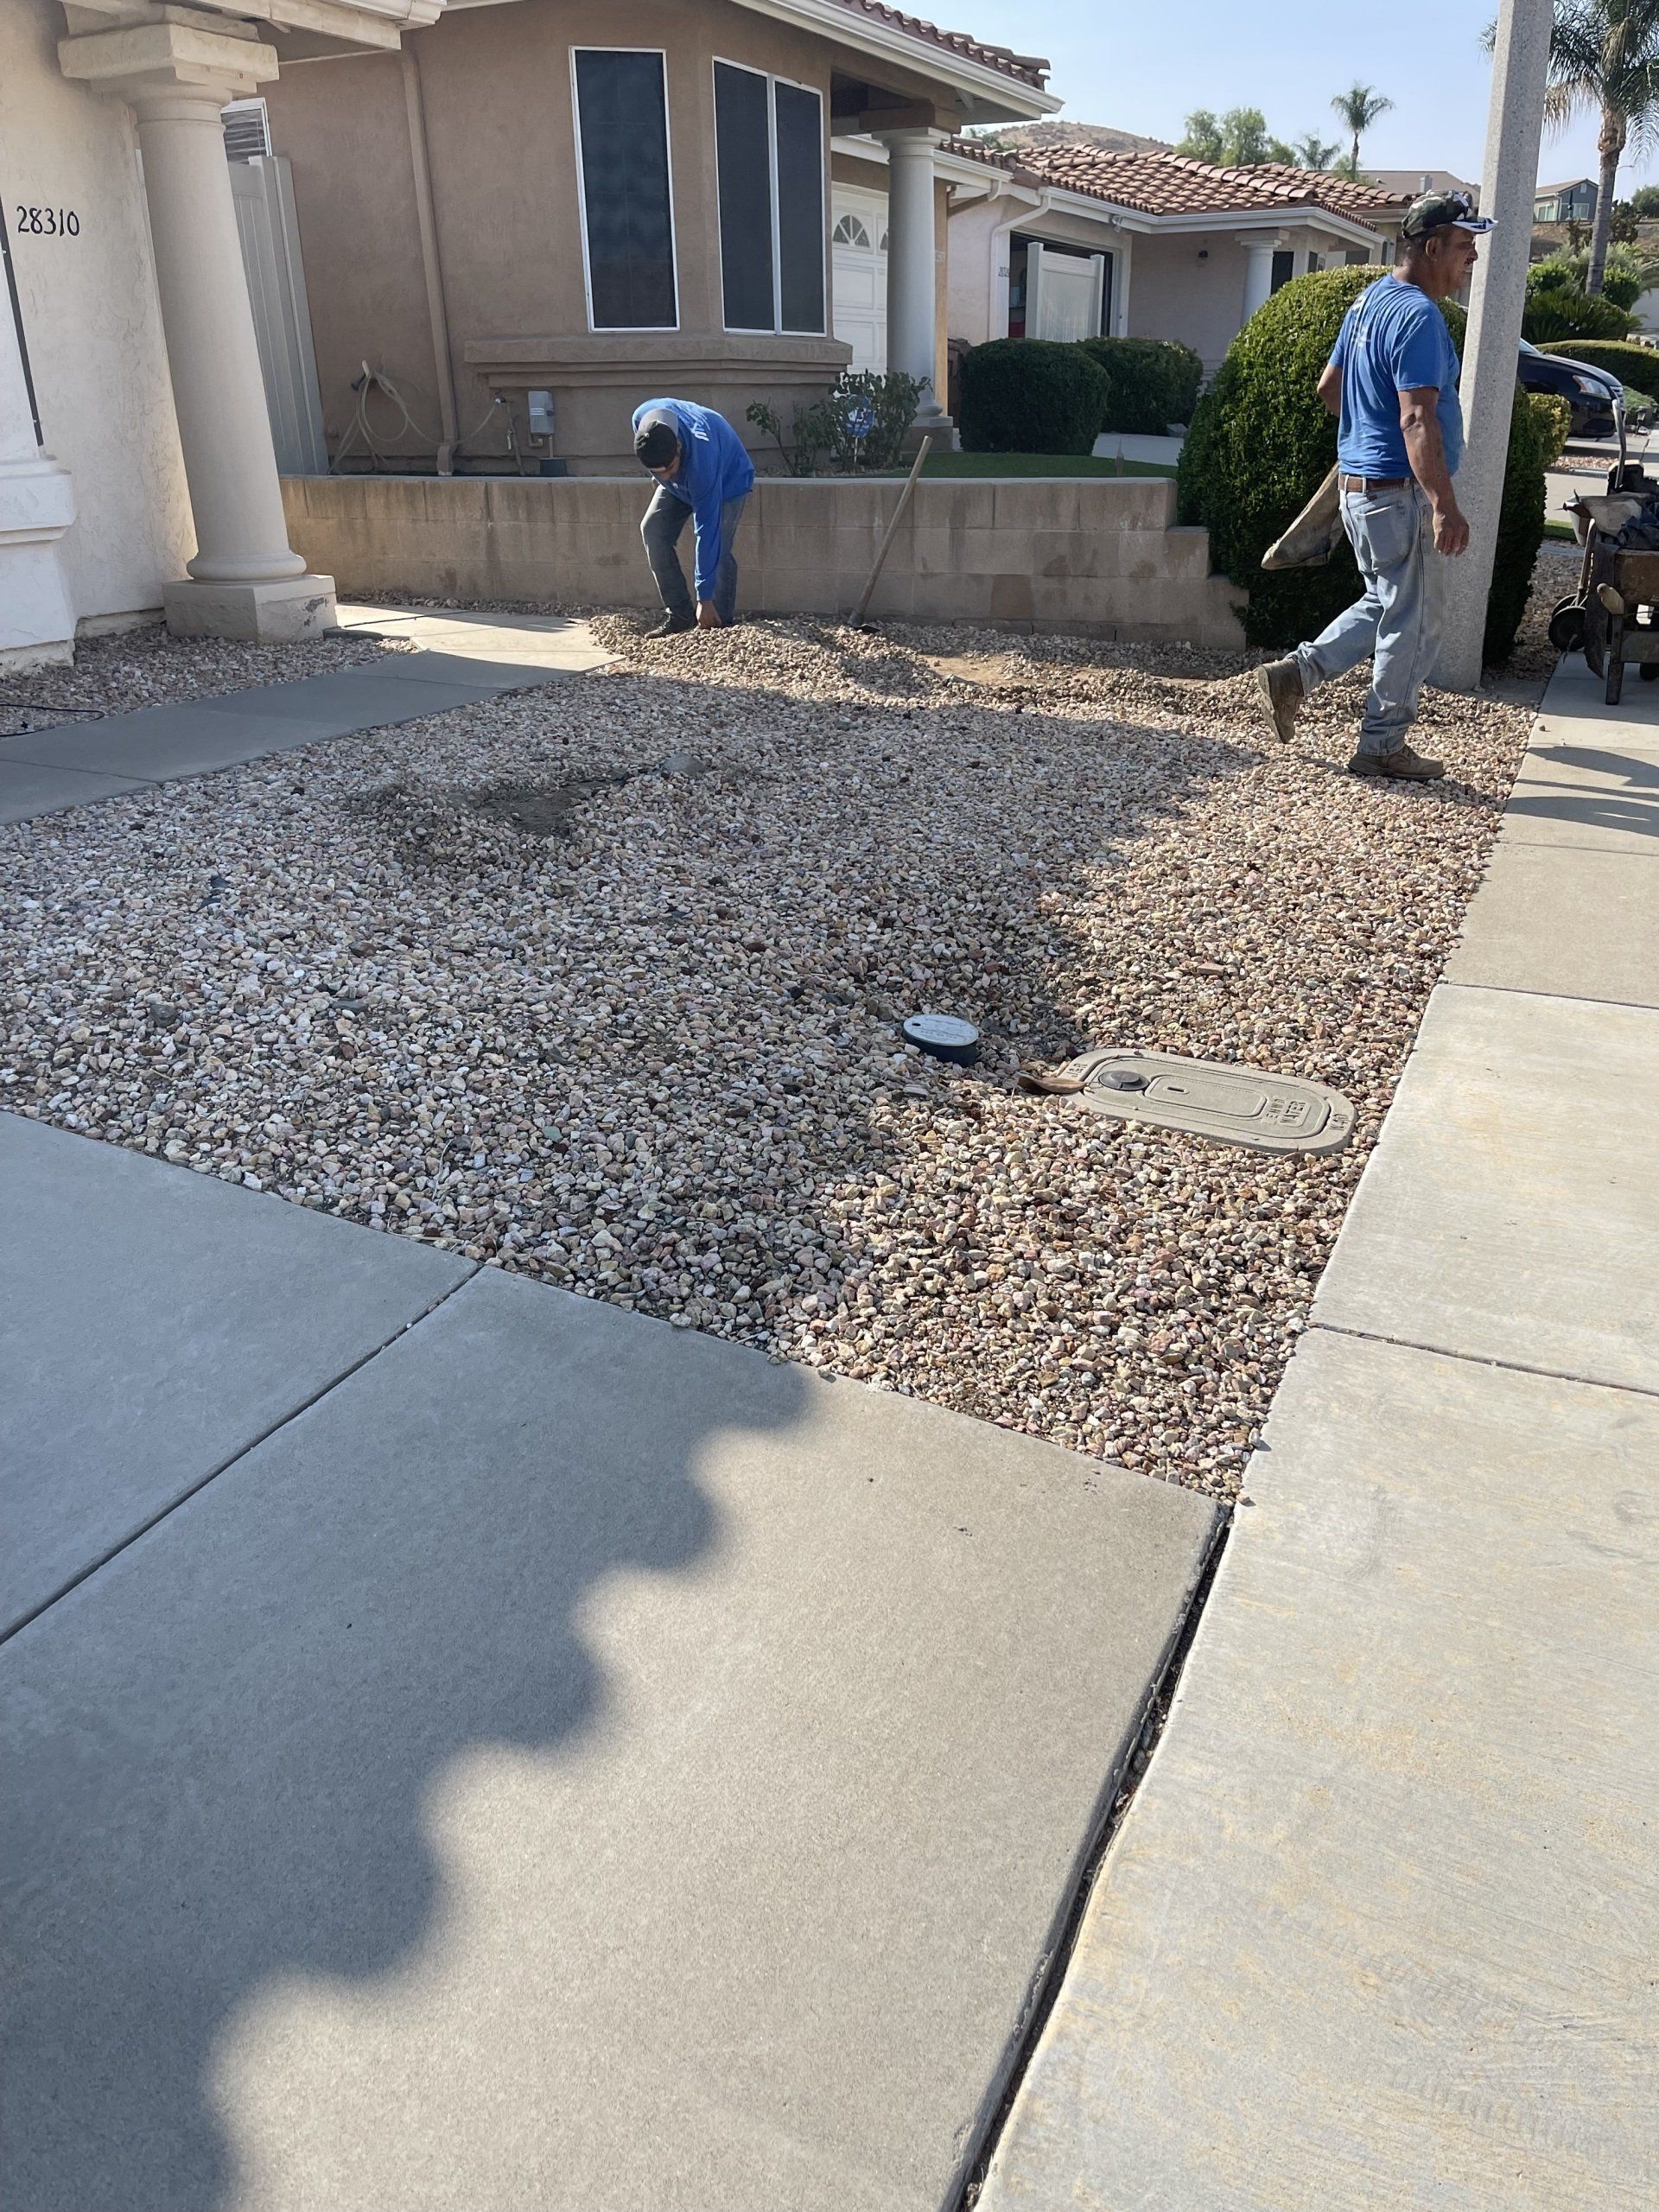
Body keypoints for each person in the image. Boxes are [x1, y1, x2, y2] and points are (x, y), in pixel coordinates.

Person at [1255, 190, 1491, 781]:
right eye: (1465, 247)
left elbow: (1330, 388)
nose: (1471, 260)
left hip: (1360, 491)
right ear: (1432, 246)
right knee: (1416, 621)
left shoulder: (1368, 303)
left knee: (1385, 601)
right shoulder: (1418, 316)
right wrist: (1444, 504)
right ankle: (1381, 745)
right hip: (1399, 493)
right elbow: (1417, 418)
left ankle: (1296, 675)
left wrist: (1365, 441)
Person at [632, 397, 755, 637]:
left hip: (728, 483)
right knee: (653, 530)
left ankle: (718, 624)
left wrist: (704, 597)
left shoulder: (702, 458)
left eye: (669, 468)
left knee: (718, 546)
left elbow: (707, 533)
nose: (666, 476)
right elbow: (663, 470)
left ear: (678, 446)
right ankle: (680, 616)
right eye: (659, 473)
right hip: (682, 486)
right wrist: (662, 476)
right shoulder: (641, 420)